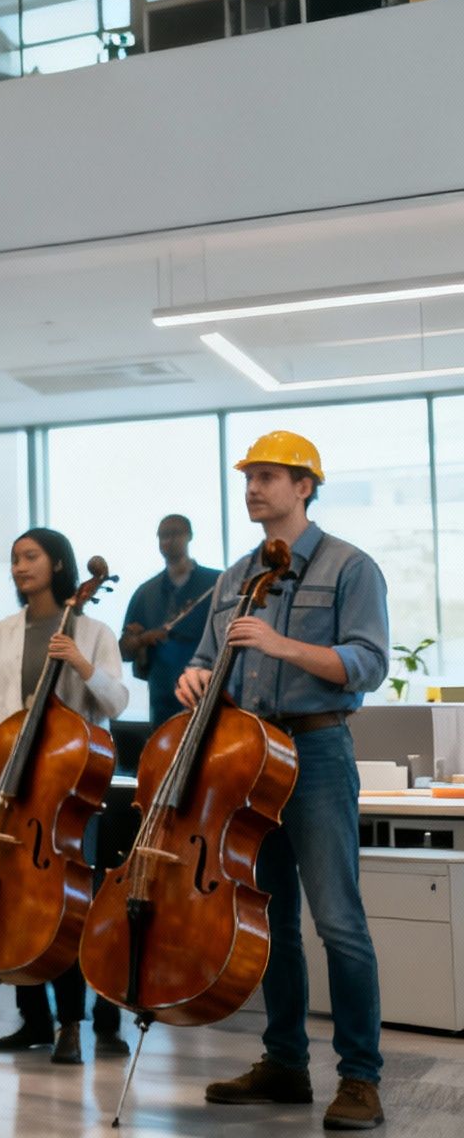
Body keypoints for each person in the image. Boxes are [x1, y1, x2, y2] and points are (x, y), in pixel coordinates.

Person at [181, 431, 389, 1132]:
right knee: (268, 923)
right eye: (248, 478)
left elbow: (366, 663)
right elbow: (210, 657)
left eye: (268, 477)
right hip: (248, 756)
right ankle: (286, 1064)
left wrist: (280, 644)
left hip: (318, 752)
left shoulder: (350, 567)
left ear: (304, 485)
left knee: (338, 922)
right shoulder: (237, 575)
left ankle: (360, 1077)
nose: (253, 488)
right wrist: (196, 675)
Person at [0, 528, 130, 1065]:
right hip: (12, 781)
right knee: (13, 898)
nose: (19, 566)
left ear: (57, 563)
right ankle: (33, 1019)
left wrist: (79, 662)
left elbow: (117, 700)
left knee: (74, 905)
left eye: (30, 557)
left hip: (72, 787)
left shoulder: (93, 630)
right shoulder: (1, 633)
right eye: (14, 559)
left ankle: (85, 1020)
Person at [120, 514, 220, 727]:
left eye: (176, 533)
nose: (169, 541)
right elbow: (124, 651)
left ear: (189, 536)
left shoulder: (217, 583)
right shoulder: (146, 593)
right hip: (164, 699)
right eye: (163, 535)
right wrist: (140, 639)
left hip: (211, 693)